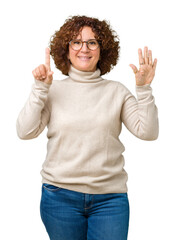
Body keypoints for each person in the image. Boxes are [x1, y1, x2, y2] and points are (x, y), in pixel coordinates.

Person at [16, 15, 159, 240]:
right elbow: (25, 132)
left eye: (92, 42)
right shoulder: (51, 91)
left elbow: (148, 132)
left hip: (110, 200)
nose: (84, 48)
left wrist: (143, 89)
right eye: (76, 42)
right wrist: (40, 90)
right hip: (59, 198)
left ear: (102, 49)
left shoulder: (117, 92)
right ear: (67, 49)